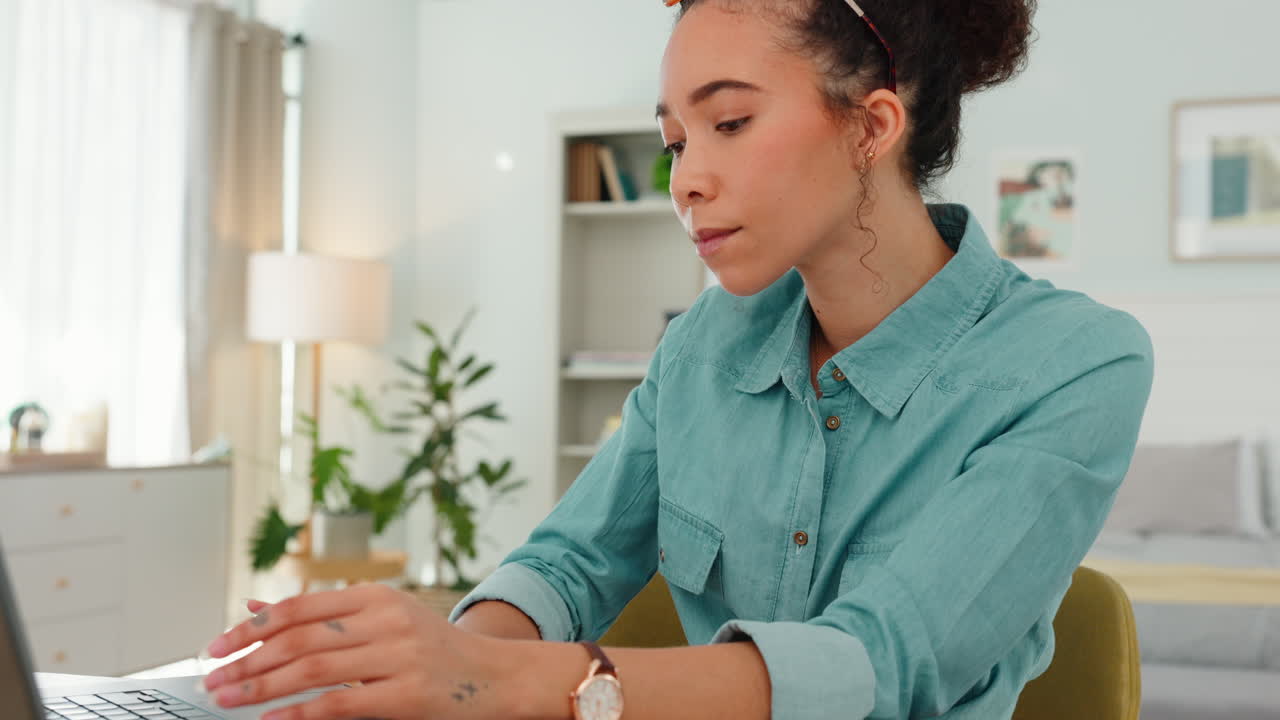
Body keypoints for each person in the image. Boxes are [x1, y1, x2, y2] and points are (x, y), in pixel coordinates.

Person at [198, 1, 1155, 718]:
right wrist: (442, 674)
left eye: (729, 122)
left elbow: (886, 660)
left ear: (870, 127)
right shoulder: (704, 344)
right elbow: (571, 563)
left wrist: (521, 681)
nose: (685, 178)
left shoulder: (1077, 363)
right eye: (673, 139)